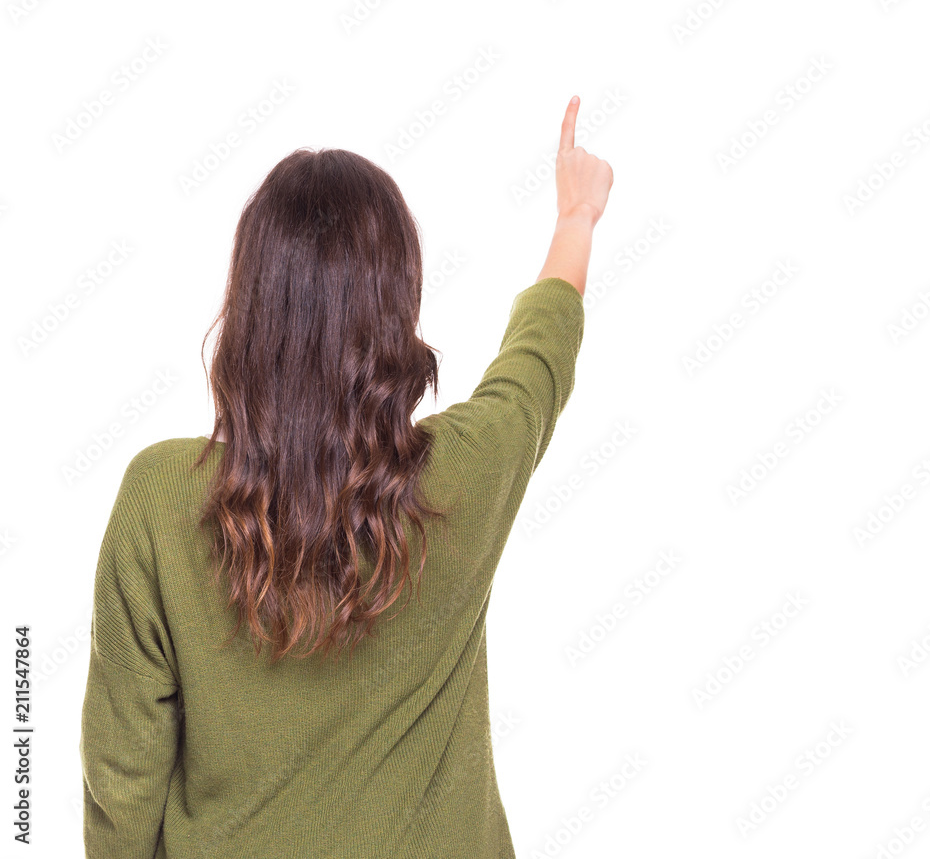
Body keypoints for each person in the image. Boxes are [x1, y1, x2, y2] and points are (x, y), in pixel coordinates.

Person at [79, 95, 613, 858]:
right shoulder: (465, 471)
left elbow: (122, 776)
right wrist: (576, 218)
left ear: (252, 308)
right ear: (397, 310)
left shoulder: (161, 499)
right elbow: (536, 362)